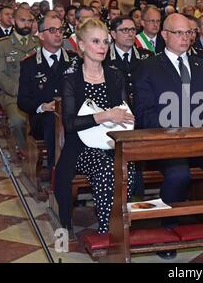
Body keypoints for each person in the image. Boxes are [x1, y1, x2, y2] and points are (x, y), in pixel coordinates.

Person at [133, 13, 203, 259]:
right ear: (164, 35)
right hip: (166, 142)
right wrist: (179, 125)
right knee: (178, 173)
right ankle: (168, 232)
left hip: (202, 142)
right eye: (178, 33)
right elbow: (145, 113)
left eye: (188, 33)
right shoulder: (149, 67)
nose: (185, 38)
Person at [55, 18, 139, 235]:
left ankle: (121, 226)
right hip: (80, 147)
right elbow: (70, 124)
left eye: (105, 42)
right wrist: (104, 116)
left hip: (111, 141)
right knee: (105, 167)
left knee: (125, 167)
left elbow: (125, 113)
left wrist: (124, 117)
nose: (102, 47)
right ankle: (108, 231)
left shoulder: (115, 75)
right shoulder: (71, 79)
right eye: (95, 41)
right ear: (81, 45)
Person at [18, 16, 75, 171]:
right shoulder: (29, 64)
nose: (58, 34)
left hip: (71, 114)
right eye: (52, 30)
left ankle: (81, 171)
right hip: (42, 118)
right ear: (41, 35)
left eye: (60, 30)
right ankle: (56, 172)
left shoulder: (74, 60)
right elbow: (22, 100)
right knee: (53, 121)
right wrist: (43, 106)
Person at [0, 7, 40, 156]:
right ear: (13, 21)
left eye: (30, 21)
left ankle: (42, 151)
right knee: (17, 121)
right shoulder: (2, 45)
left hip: (37, 93)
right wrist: (18, 90)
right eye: (22, 20)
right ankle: (25, 152)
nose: (26, 24)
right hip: (13, 94)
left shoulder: (38, 43)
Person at [104, 16, 153, 102]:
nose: (130, 34)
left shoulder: (147, 56)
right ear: (113, 34)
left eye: (133, 30)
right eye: (125, 30)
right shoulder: (104, 58)